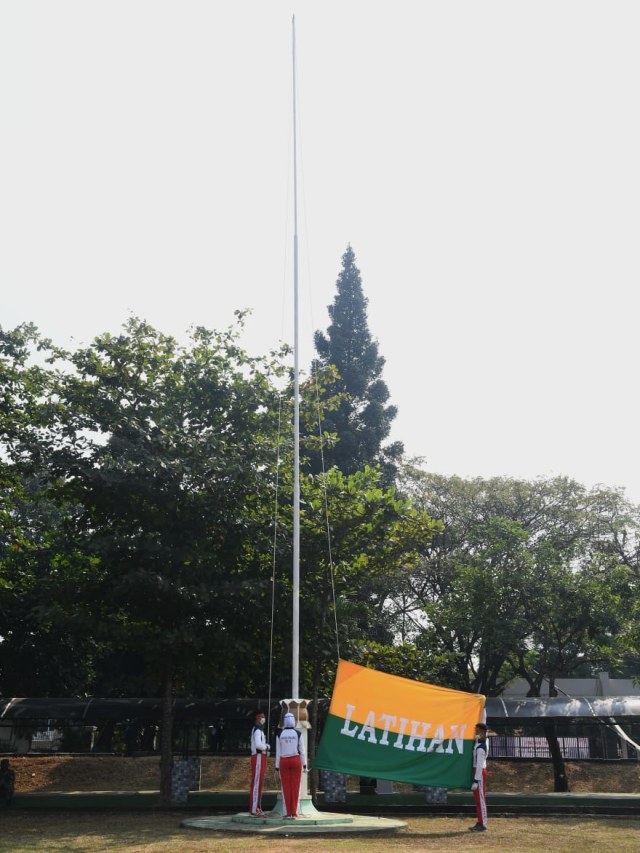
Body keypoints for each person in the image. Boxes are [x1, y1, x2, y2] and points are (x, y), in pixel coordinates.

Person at [275, 711, 306, 819]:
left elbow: (278, 752)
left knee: (285, 787)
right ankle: (294, 812)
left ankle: (286, 813)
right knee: (296, 786)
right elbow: (302, 750)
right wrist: (305, 764)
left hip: (283, 761)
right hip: (295, 760)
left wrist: (276, 767)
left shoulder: (279, 734)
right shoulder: (298, 733)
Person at [469, 722, 489, 832]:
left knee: (481, 800)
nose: (475, 731)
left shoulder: (481, 747)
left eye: (476, 730)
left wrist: (476, 780)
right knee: (478, 800)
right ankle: (480, 821)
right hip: (477, 771)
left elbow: (480, 765)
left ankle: (483, 824)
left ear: (481, 731)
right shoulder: (480, 742)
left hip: (479, 772)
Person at [249, 712, 270, 816]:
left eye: (264, 717)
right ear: (257, 719)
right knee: (257, 783)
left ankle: (256, 807)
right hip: (258, 757)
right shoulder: (257, 730)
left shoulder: (259, 730)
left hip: (260, 757)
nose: (263, 719)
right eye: (262, 717)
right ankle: (254, 809)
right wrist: (266, 747)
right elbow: (258, 745)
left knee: (259, 782)